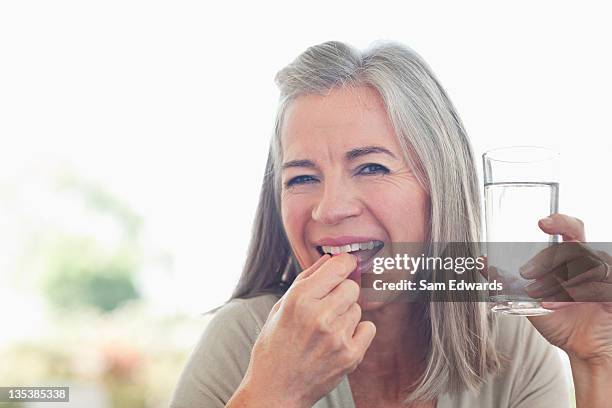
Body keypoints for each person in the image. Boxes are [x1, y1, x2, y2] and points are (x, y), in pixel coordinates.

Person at [170, 41, 612, 408]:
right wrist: (273, 393)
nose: (329, 209)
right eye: (302, 178)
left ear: (440, 186)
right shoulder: (245, 340)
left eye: (371, 168)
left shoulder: (512, 344)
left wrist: (596, 363)